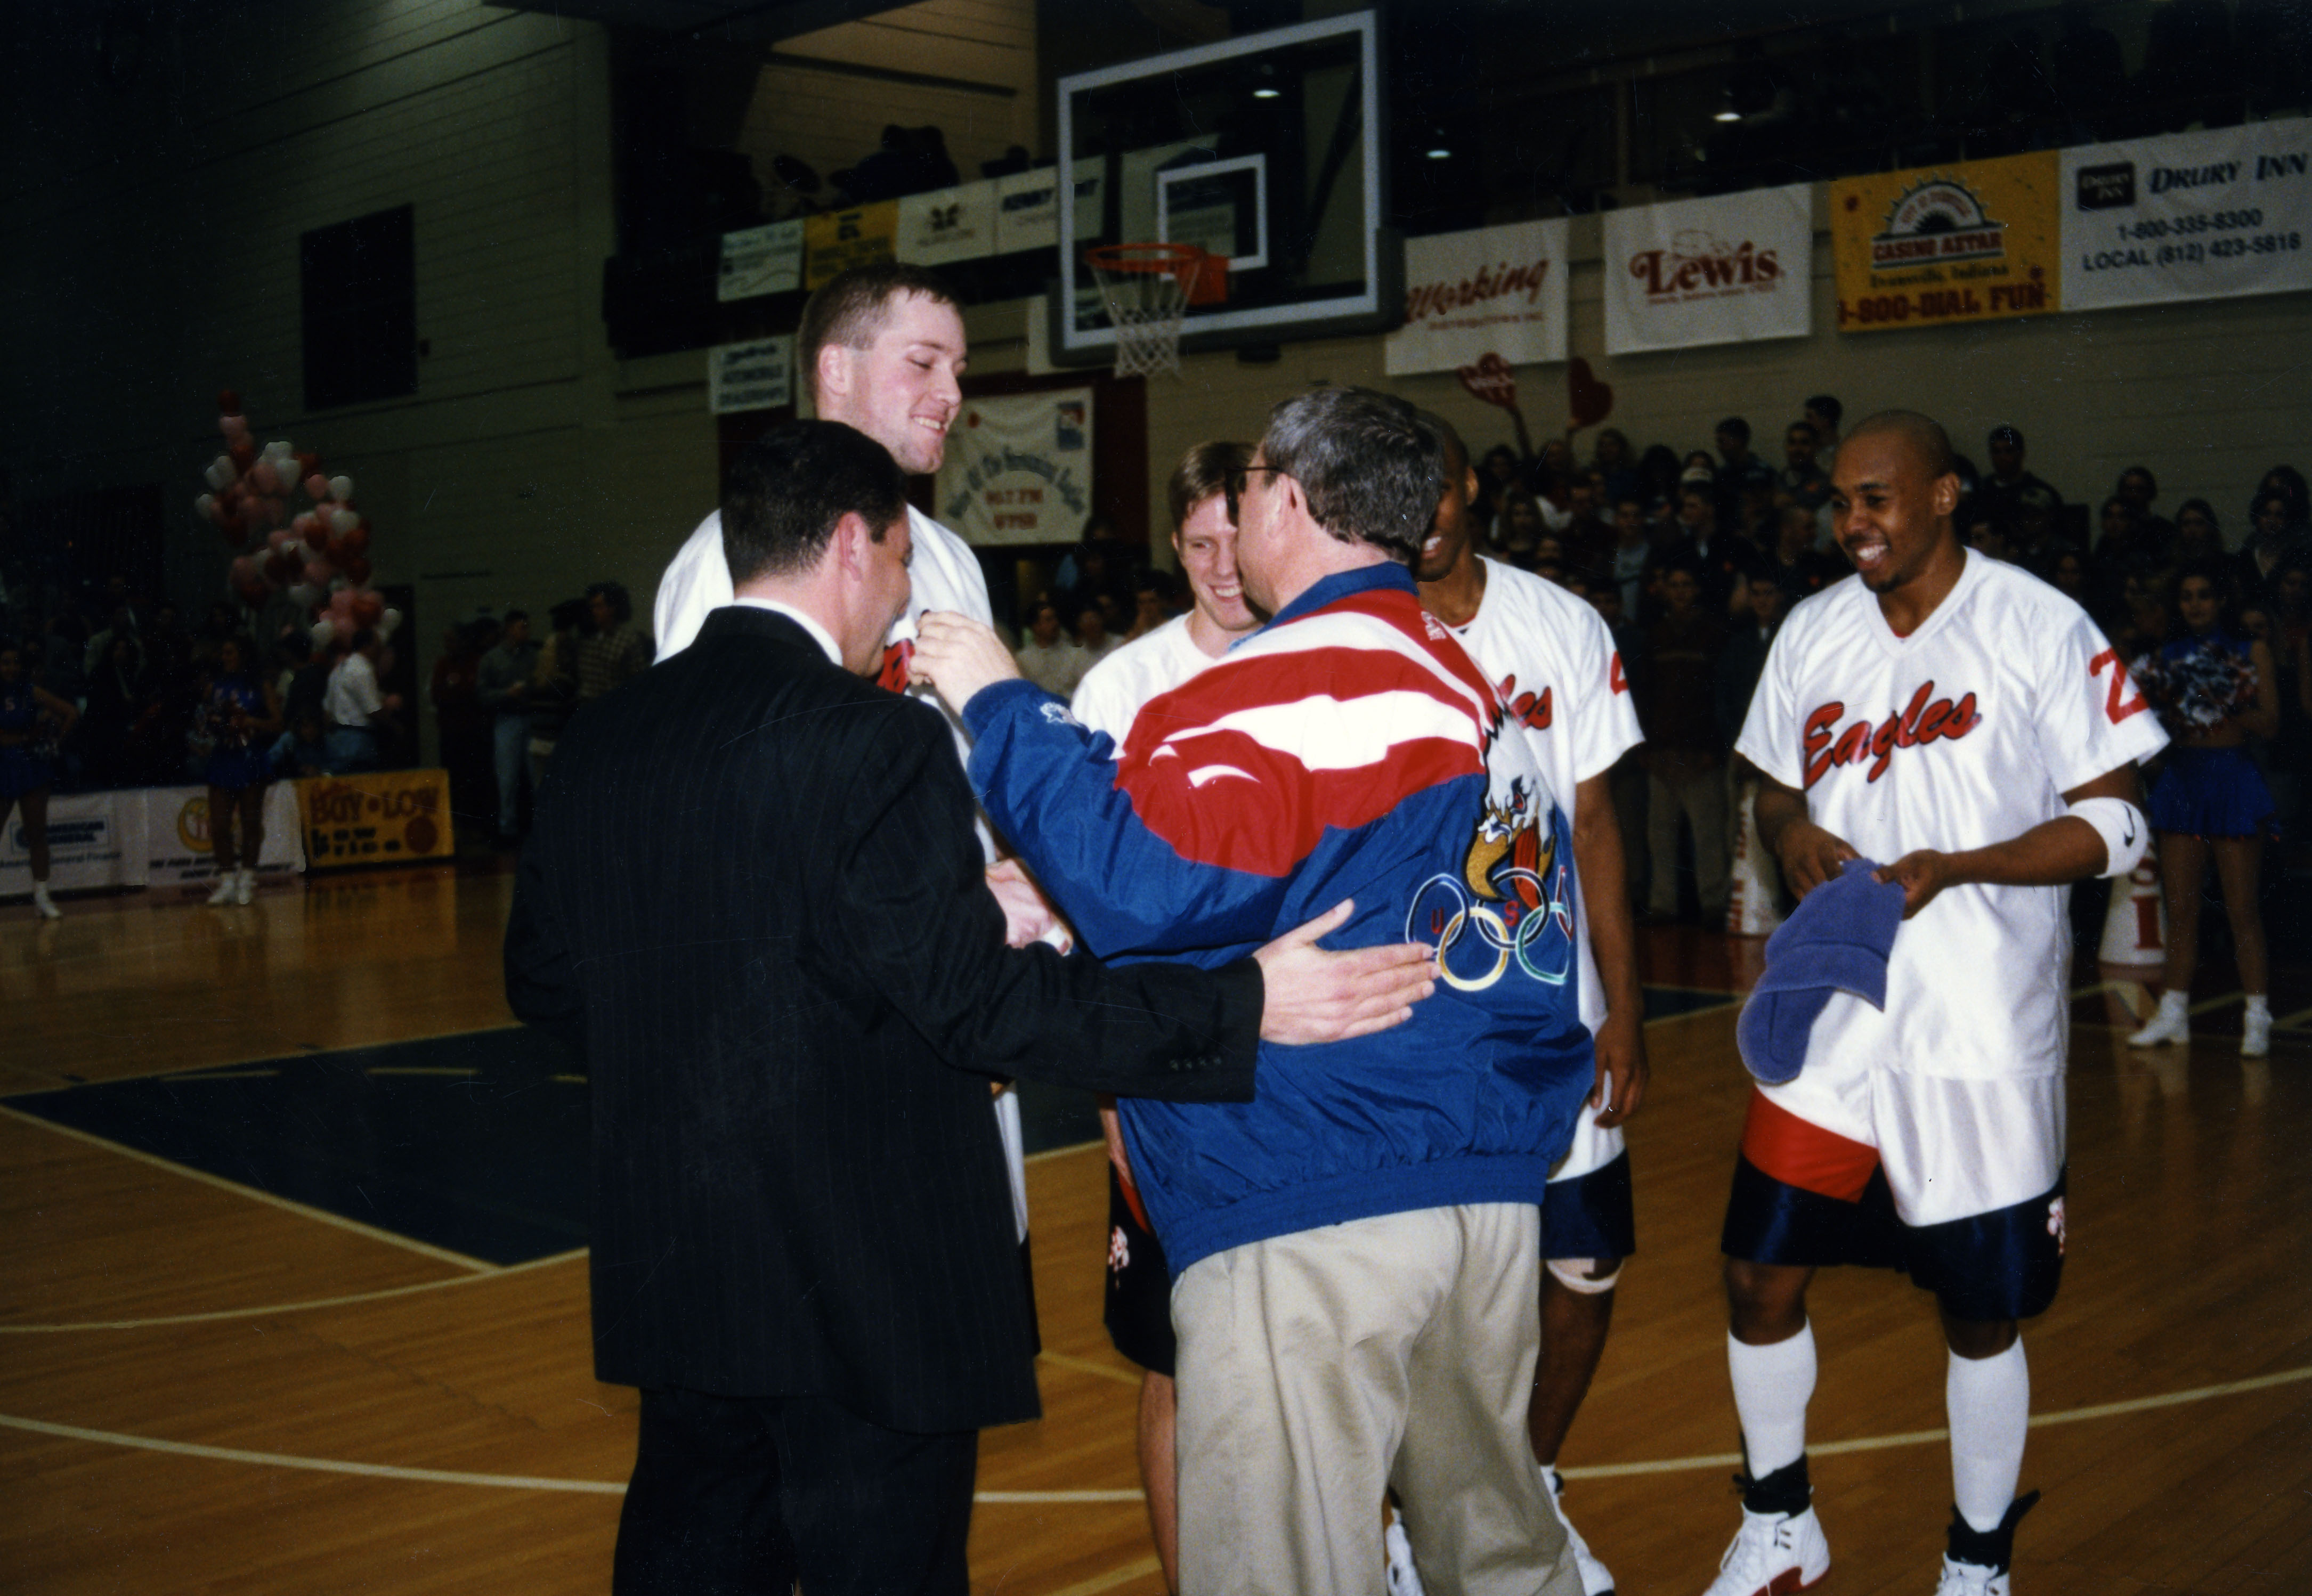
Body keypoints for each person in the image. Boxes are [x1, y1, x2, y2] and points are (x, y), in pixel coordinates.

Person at [504, 418, 1433, 1596]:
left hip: (678, 1264)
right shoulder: (877, 739)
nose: (904, 598)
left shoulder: (602, 735)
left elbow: (547, 977)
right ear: (854, 543)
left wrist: (730, 1041)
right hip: (867, 1280)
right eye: (902, 561)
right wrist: (1241, 1003)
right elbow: (979, 1010)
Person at [912, 386, 1597, 1596]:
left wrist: (998, 700)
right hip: (1480, 1198)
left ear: (1288, 498)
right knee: (1496, 1559)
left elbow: (1136, 882)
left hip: (1314, 1196)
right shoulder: (1460, 679)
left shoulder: (1309, 681)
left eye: (1247, 493)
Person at [1708, 411, 2167, 1596]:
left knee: (1978, 1308)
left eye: (1875, 498)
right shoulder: (1813, 629)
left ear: (1946, 494)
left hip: (1976, 1026)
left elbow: (2119, 822)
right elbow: (1770, 787)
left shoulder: (2036, 623)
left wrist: (1960, 866)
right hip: (1830, 1017)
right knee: (1757, 1273)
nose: (1851, 522)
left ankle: (1975, 1560)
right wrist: (1789, 831)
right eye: (1839, 502)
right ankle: (1780, 1523)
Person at [1414, 411, 1648, 1596]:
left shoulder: (1560, 623)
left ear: (1472, 485)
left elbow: (1594, 821)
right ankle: (1423, 1526)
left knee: (1585, 1265)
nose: (1420, 511)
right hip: (1424, 1018)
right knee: (1438, 1291)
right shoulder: (1354, 631)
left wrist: (1626, 1007)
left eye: (1437, 485)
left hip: (1557, 1007)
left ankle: (1530, 1488)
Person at [1069, 439, 1264, 1595]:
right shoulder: (1119, 689)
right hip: (1166, 1073)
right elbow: (1087, 914)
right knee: (1175, 1362)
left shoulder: (1325, 664)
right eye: (1198, 546)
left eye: (1238, 542)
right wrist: (1111, 1101)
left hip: (1311, 1075)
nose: (1222, 568)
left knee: (1326, 1355)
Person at [2123, 559, 2281, 1057]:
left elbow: (2271, 725)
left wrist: (2226, 698)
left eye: (2204, 595)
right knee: (2180, 909)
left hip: (2232, 780)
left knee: (2241, 909)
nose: (2195, 605)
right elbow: (2150, 733)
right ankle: (2173, 1013)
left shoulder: (2250, 651)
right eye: (2186, 597)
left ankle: (2256, 1015)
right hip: (2183, 783)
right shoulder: (2164, 658)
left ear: (2221, 601)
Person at [1641, 563, 1730, 923]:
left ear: (1697, 590)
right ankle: (1663, 905)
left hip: (1700, 754)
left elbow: (1720, 697)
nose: (1679, 591)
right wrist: (1645, 749)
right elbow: (1644, 695)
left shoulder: (1714, 633)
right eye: (1674, 584)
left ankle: (1713, 904)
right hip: (1661, 753)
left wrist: (1714, 749)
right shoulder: (1656, 635)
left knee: (1708, 836)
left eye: (1686, 584)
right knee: (1659, 836)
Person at [0, 640, 79, 918]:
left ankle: (42, 897)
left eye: (15, 662)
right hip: (3, 767)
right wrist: (24, 737)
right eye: (5, 662)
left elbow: (71, 712)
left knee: (37, 834)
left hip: (31, 766)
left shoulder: (30, 691)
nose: (11, 668)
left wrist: (53, 740)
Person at [200, 636, 281, 907]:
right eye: (223, 652)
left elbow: (278, 723)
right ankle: (227, 882)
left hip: (250, 757)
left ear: (243, 655)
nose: (224, 657)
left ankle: (248, 879)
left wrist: (248, 722)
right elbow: (204, 721)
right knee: (219, 825)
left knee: (250, 823)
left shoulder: (261, 685)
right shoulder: (214, 687)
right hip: (223, 757)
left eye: (229, 652)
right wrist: (210, 726)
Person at [477, 610, 540, 843]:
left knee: (537, 774)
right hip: (507, 719)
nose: (527, 632)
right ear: (510, 629)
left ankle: (540, 825)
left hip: (531, 718)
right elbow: (482, 694)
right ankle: (507, 827)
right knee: (507, 777)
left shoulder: (533, 656)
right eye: (522, 627)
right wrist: (506, 694)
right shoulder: (492, 659)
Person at [323, 631, 395, 773]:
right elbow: (373, 711)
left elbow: (326, 711)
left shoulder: (338, 670)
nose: (380, 650)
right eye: (377, 646)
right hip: (359, 740)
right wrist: (395, 726)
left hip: (336, 739)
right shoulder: (362, 670)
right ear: (367, 646)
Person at [575, 583, 650, 704]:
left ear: (612, 608)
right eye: (592, 607)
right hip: (585, 705)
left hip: (613, 704)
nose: (594, 612)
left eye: (599, 607)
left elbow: (639, 680)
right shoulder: (586, 639)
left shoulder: (628, 640)